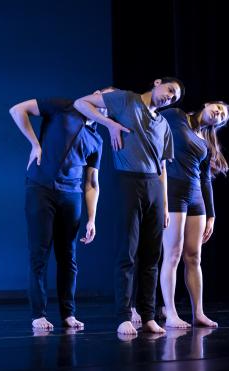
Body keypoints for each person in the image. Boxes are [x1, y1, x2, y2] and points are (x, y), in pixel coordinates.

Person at [73, 77, 185, 335]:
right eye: (169, 90)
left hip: (155, 187)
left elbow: (164, 166)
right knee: (128, 251)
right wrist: (110, 124)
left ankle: (148, 315)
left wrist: (165, 204)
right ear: (157, 83)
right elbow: (81, 103)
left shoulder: (164, 125)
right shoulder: (126, 99)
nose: (170, 97)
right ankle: (124, 314)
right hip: (129, 181)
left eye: (174, 97)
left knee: (152, 255)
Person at [9, 87, 114, 329]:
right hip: (41, 187)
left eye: (113, 102)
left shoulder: (97, 138)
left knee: (69, 257)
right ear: (96, 94)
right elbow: (17, 110)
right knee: (40, 254)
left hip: (72, 196)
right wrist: (35, 144)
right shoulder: (65, 105)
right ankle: (39, 315)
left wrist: (92, 218)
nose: (107, 103)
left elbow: (92, 182)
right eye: (106, 96)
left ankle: (69, 314)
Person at [159, 102, 229, 328]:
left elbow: (206, 179)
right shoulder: (176, 116)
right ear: (207, 105)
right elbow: (149, 119)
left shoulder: (206, 141)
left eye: (223, 116)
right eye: (219, 108)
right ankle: (170, 312)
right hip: (172, 191)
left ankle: (198, 312)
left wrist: (211, 214)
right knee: (173, 253)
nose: (219, 113)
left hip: (196, 198)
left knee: (194, 257)